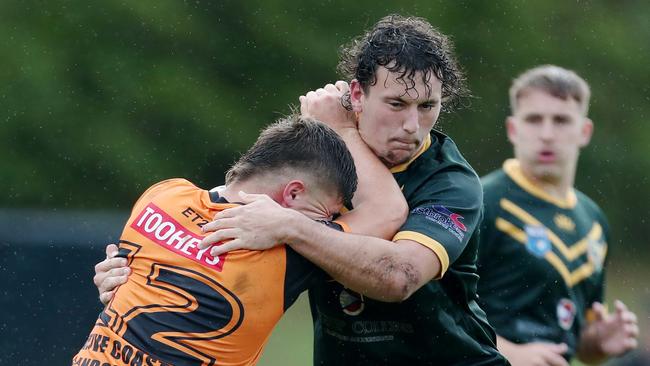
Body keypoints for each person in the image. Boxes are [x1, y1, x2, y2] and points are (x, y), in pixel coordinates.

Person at [196, 15, 507, 365]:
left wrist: (292, 225)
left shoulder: (450, 181)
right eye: (396, 104)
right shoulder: (315, 155)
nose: (411, 126)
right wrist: (125, 265)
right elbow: (222, 218)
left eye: (427, 106)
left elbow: (399, 278)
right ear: (357, 94)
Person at [73, 115, 408, 366]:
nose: (326, 224)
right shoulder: (288, 252)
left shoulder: (163, 194)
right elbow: (388, 210)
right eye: (327, 213)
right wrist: (344, 124)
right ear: (292, 193)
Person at [476, 65, 639, 365]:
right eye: (534, 120)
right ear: (513, 129)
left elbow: (574, 340)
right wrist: (507, 352)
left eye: (561, 120)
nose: (547, 134)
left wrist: (597, 343)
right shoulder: (482, 201)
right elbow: (434, 308)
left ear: (584, 131)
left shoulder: (593, 221)